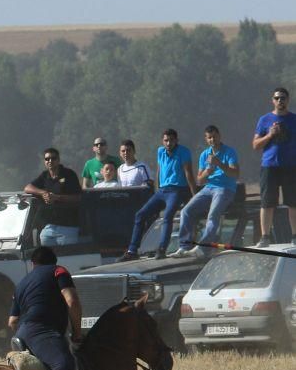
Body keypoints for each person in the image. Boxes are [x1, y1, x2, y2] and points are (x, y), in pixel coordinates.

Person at [7, 246, 82, 370]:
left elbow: (12, 321)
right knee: (64, 365)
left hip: (24, 332)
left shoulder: (22, 282)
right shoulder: (59, 271)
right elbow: (72, 301)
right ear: (54, 261)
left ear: (33, 263)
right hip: (42, 331)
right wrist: (77, 333)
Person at [119, 129, 195, 261]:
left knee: (167, 216)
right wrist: (157, 190)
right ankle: (132, 251)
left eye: (171, 140)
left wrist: (194, 195)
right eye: (166, 140)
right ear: (162, 141)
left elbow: (188, 173)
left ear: (176, 140)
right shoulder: (160, 151)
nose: (169, 143)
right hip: (162, 191)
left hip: (177, 190)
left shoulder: (184, 151)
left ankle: (161, 249)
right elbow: (159, 170)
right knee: (140, 215)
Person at [169, 126, 240, 258]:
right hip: (208, 188)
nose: (212, 139)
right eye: (209, 137)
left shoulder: (229, 152)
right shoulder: (204, 155)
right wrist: (207, 171)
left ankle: (203, 248)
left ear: (219, 136)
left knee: (213, 215)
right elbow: (200, 180)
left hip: (225, 188)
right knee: (186, 211)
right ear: (206, 139)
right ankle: (184, 246)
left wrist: (219, 164)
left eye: (214, 136)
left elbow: (235, 174)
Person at [253, 87, 296, 247]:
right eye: (277, 98)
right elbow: (255, 145)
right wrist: (270, 135)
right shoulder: (264, 120)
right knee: (267, 203)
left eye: (283, 98)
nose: (280, 101)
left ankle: (295, 236)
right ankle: (265, 237)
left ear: (288, 100)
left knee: (293, 203)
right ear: (273, 100)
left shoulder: (294, 119)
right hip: (269, 166)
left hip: (291, 167)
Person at [24, 148, 82, 246]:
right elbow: (27, 187)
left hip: (68, 227)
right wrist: (43, 193)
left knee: (68, 260)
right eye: (47, 159)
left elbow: (78, 197)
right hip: (49, 227)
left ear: (58, 160)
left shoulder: (69, 174)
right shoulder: (44, 176)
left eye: (53, 158)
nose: (50, 161)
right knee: (47, 259)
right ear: (44, 162)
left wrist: (57, 197)